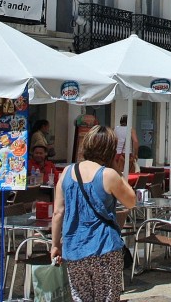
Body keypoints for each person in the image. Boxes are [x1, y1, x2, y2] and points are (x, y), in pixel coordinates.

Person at [50, 126, 135, 302]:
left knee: (80, 297)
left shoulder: (66, 172)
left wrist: (55, 245)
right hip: (104, 247)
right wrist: (119, 172)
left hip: (74, 249)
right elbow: (131, 201)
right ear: (110, 149)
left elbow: (58, 212)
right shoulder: (109, 175)